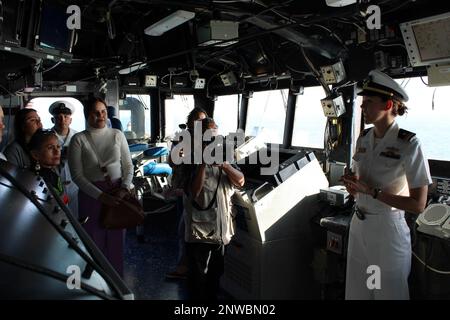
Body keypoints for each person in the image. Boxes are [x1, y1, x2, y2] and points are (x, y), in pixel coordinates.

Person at [342, 70, 432, 300]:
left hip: (386, 231)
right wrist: (353, 186)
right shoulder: (363, 138)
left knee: (386, 295)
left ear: (389, 104)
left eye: (369, 102)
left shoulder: (409, 144)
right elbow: (359, 184)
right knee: (358, 294)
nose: (363, 107)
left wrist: (372, 192)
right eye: (363, 102)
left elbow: (418, 204)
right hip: (359, 225)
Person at [68, 97, 134, 276]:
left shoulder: (117, 135)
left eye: (103, 111)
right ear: (87, 115)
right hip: (91, 197)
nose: (101, 116)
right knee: (94, 243)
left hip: (118, 193)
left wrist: (124, 188)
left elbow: (128, 166)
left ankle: (116, 285)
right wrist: (100, 196)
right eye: (96, 112)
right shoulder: (78, 139)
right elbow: (77, 176)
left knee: (116, 243)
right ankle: (95, 286)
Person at [184, 117, 244, 300]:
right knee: (197, 281)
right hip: (199, 232)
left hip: (221, 230)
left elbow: (240, 181)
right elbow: (194, 192)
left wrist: (224, 165)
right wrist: (203, 162)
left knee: (215, 279)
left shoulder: (225, 155)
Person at [166, 107, 208, 280]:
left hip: (205, 192)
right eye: (197, 121)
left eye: (203, 121)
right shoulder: (182, 138)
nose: (200, 124)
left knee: (190, 229)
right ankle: (185, 266)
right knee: (184, 229)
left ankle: (190, 267)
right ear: (190, 123)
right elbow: (171, 162)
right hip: (185, 189)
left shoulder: (210, 140)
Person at [49, 101, 79, 218]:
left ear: (70, 120)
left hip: (75, 185)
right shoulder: (46, 137)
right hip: (54, 184)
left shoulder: (78, 137)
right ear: (53, 120)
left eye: (66, 117)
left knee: (76, 218)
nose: (62, 120)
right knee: (56, 217)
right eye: (58, 117)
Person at [28, 129, 69, 204]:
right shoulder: (34, 180)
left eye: (58, 146)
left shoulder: (53, 172)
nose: (57, 151)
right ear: (35, 155)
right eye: (50, 148)